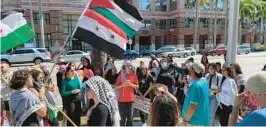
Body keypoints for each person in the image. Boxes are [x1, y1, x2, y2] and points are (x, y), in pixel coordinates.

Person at [114, 60, 139, 126]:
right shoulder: (120, 75)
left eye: (130, 65)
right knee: (122, 119)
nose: (128, 67)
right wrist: (122, 85)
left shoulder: (134, 75)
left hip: (131, 100)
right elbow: (116, 86)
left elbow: (137, 86)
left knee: (130, 118)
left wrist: (130, 84)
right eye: (127, 65)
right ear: (124, 67)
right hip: (121, 100)